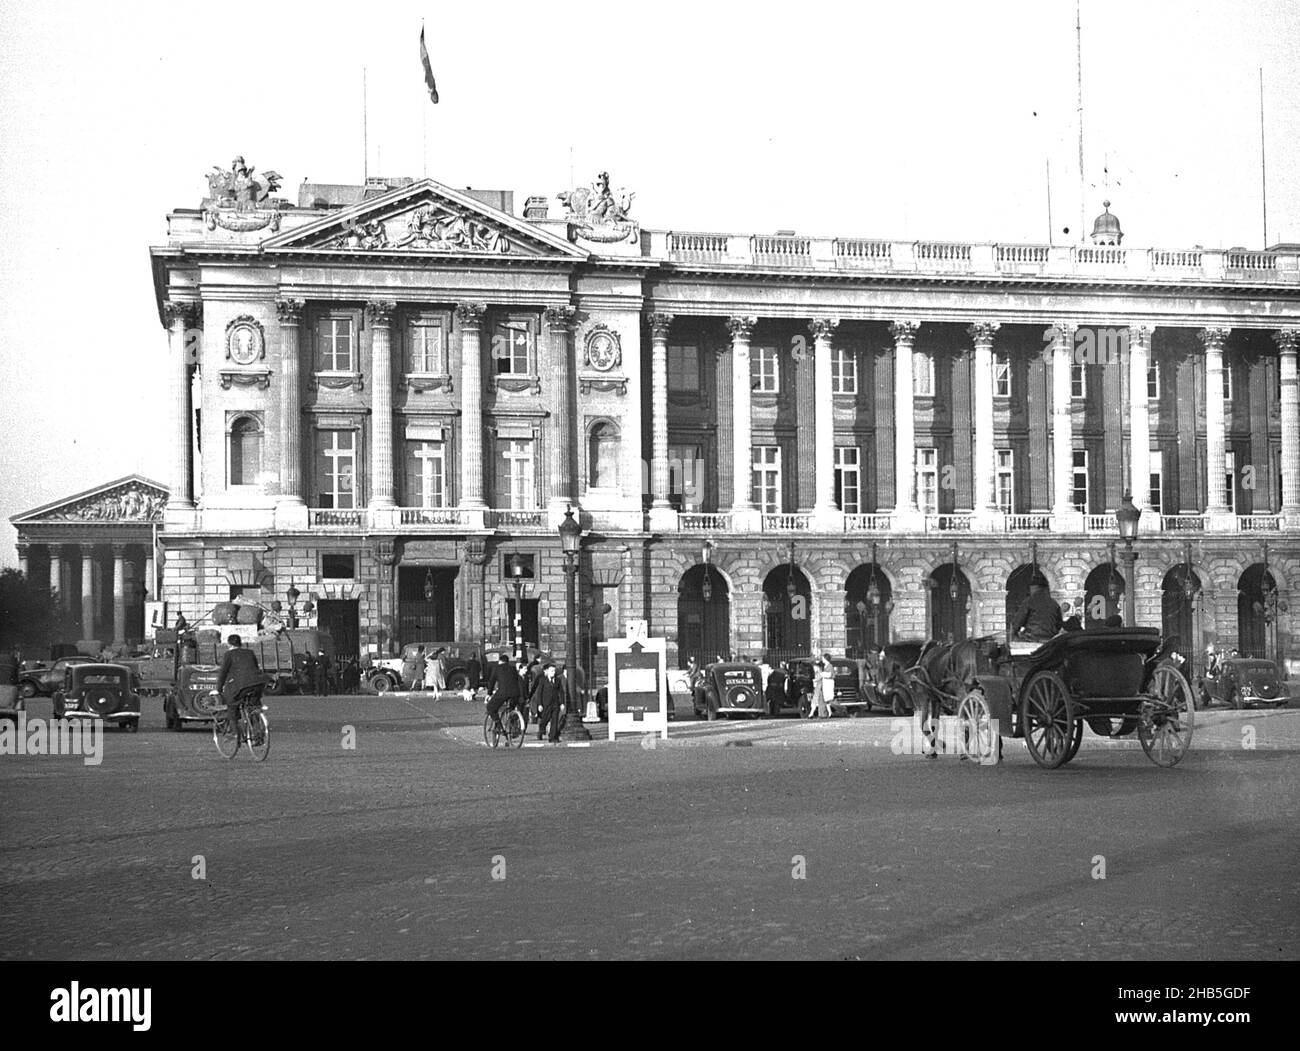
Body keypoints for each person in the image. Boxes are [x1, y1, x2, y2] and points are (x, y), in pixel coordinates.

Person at [1011, 571, 1063, 641]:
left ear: (1034, 588)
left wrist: (1014, 635)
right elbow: (1059, 625)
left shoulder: (1029, 601)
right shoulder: (1054, 603)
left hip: (1031, 638)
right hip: (1050, 639)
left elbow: (1017, 622)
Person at [216, 635, 264, 708]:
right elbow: (255, 668)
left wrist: (219, 688)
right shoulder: (250, 652)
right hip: (256, 684)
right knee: (255, 703)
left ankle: (233, 719)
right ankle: (256, 717)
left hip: (241, 685)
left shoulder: (229, 654)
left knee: (231, 704)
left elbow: (223, 672)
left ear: (229, 644)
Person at [486, 653, 522, 733]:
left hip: (503, 693)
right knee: (511, 709)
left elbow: (491, 682)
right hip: (515, 693)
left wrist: (489, 694)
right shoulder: (513, 668)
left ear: (500, 661)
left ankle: (499, 727)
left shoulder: (496, 668)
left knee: (490, 707)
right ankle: (513, 726)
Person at [531, 663, 565, 743]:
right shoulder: (543, 680)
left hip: (555, 703)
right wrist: (539, 704)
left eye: (554, 670)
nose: (553, 672)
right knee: (545, 719)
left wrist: (562, 703)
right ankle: (541, 730)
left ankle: (552, 737)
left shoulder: (557, 680)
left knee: (554, 720)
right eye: (552, 671)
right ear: (548, 672)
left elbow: (561, 692)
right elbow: (539, 693)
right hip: (546, 704)